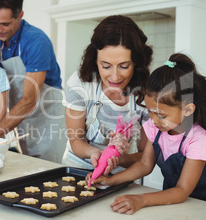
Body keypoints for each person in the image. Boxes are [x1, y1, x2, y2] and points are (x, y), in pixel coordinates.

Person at [88, 53, 206, 214]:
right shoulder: (156, 128)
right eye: (150, 112)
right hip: (179, 202)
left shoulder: (198, 139)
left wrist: (141, 199)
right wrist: (110, 181)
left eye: (161, 115)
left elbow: (182, 190)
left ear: (188, 109)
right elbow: (145, 165)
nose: (153, 120)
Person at [62, 15, 153, 175]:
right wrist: (95, 153)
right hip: (77, 170)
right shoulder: (80, 83)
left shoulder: (148, 93)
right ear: (95, 61)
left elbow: (145, 155)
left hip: (122, 175)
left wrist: (120, 158)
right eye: (106, 66)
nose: (115, 76)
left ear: (136, 62)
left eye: (124, 66)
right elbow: (76, 140)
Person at [0, 0, 66, 163]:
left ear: (20, 15)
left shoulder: (36, 41)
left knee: (53, 177)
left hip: (50, 121)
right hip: (21, 121)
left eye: (5, 24)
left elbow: (29, 100)